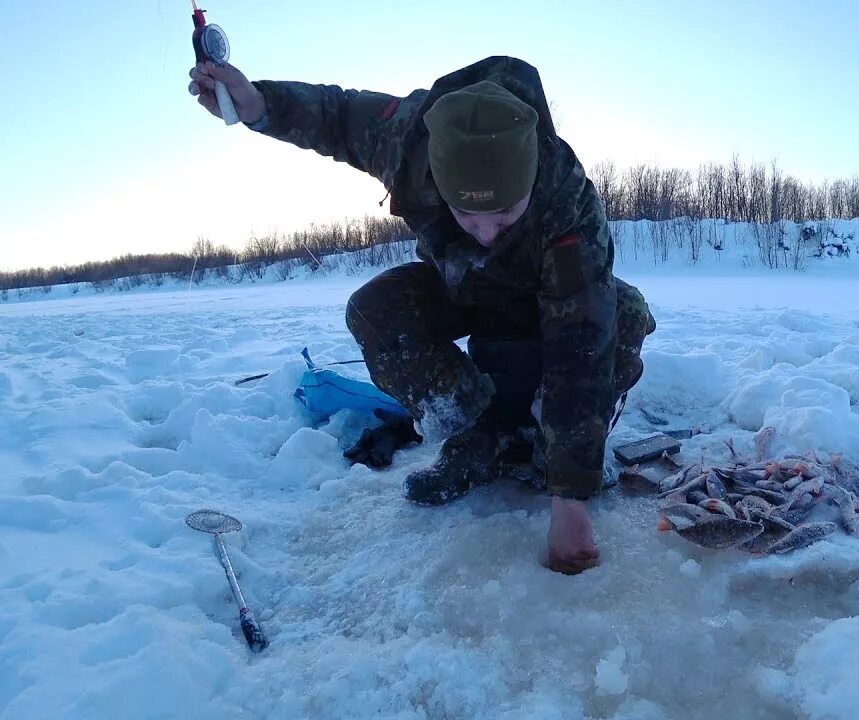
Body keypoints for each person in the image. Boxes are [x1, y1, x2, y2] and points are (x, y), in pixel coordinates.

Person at [188, 56, 655, 575]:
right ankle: (476, 436)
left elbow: (581, 345)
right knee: (374, 311)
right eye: (466, 215)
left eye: (504, 216)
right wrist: (260, 105)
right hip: (465, 289)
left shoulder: (569, 203)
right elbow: (338, 116)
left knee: (624, 311)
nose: (486, 234)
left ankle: (551, 444)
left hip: (546, 299)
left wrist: (571, 495)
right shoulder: (411, 138)